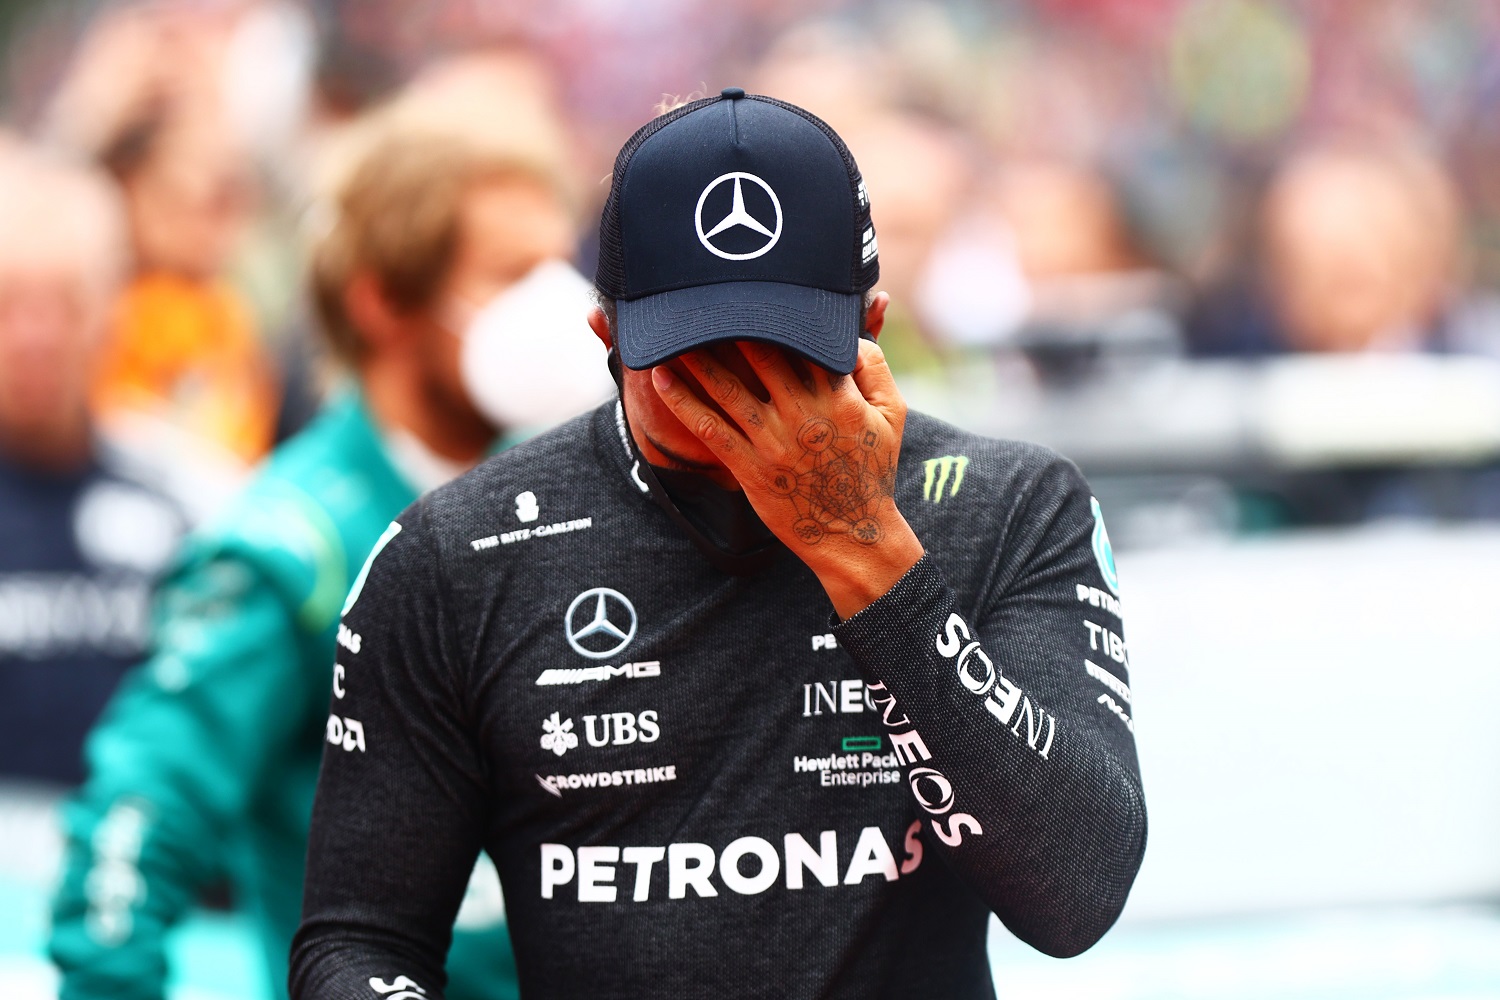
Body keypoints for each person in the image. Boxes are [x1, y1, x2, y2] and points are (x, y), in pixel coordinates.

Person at [291, 90, 1147, 999]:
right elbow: (357, 943)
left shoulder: (1007, 506)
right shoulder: (458, 554)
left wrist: (864, 548)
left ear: (872, 329)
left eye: (783, 347)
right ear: (607, 335)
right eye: (691, 353)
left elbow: (1076, 899)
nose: (741, 385)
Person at [50, 115, 585, 1000]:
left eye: (556, 267)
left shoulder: (578, 493)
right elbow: (141, 814)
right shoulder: (285, 550)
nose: (555, 306)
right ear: (383, 301)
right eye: (510, 276)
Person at [0, 141, 185, 785]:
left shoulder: (185, 492)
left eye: (67, 304)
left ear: (112, 312)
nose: (36, 337)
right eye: (9, 305)